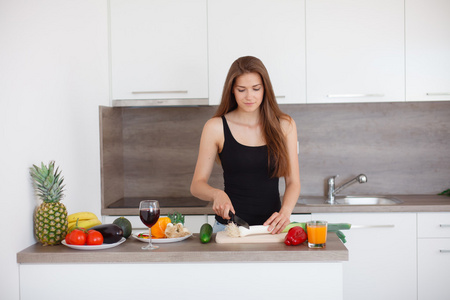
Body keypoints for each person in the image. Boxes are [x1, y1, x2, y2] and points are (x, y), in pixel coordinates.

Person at [190, 56, 300, 234]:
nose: (249, 96)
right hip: (229, 229)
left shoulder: (285, 125)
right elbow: (196, 185)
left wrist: (285, 212)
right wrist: (216, 194)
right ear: (232, 90)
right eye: (241, 90)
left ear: (265, 89)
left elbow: (293, 181)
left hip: (270, 230)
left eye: (256, 89)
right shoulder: (215, 127)